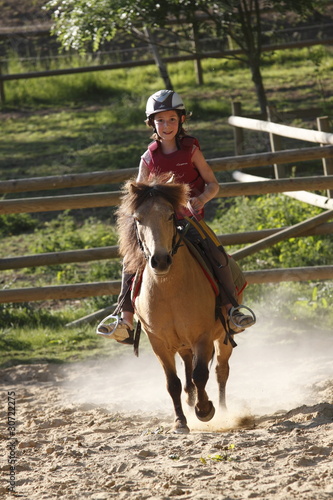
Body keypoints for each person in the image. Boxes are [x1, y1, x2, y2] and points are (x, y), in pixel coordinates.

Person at [96, 90, 255, 343]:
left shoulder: (191, 151)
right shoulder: (148, 158)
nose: (166, 125)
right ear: (152, 124)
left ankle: (230, 310)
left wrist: (200, 199)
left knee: (216, 254)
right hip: (157, 225)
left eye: (172, 119)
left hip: (189, 221)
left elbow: (213, 184)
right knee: (130, 262)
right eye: (160, 120)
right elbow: (138, 194)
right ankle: (124, 318)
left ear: (181, 120)